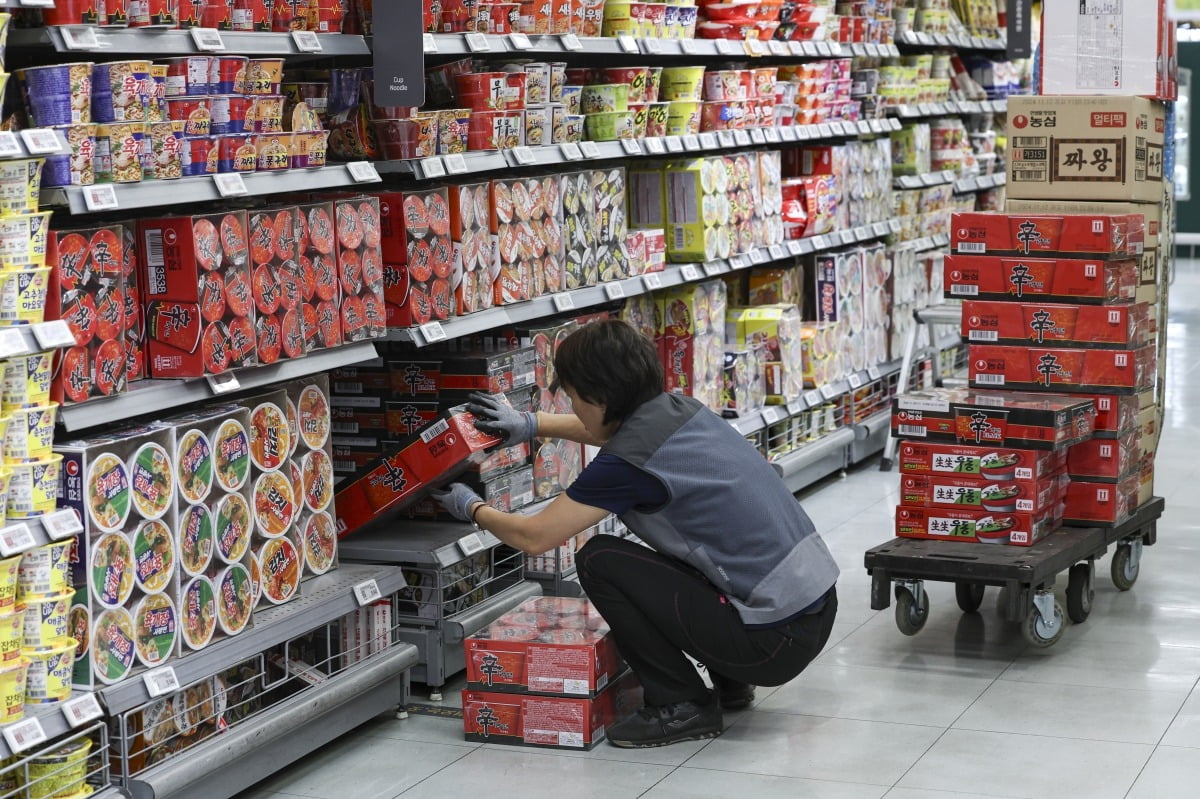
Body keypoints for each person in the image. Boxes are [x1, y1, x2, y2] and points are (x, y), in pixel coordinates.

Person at [431, 319, 839, 748]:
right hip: (812, 610)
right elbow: (606, 428)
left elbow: (535, 537)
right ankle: (730, 680)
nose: (574, 409)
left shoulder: (628, 464)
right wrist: (531, 424)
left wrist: (471, 506)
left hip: (772, 641)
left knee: (600, 560)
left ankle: (681, 704)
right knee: (680, 551)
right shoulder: (679, 410)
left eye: (574, 398)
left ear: (601, 397)